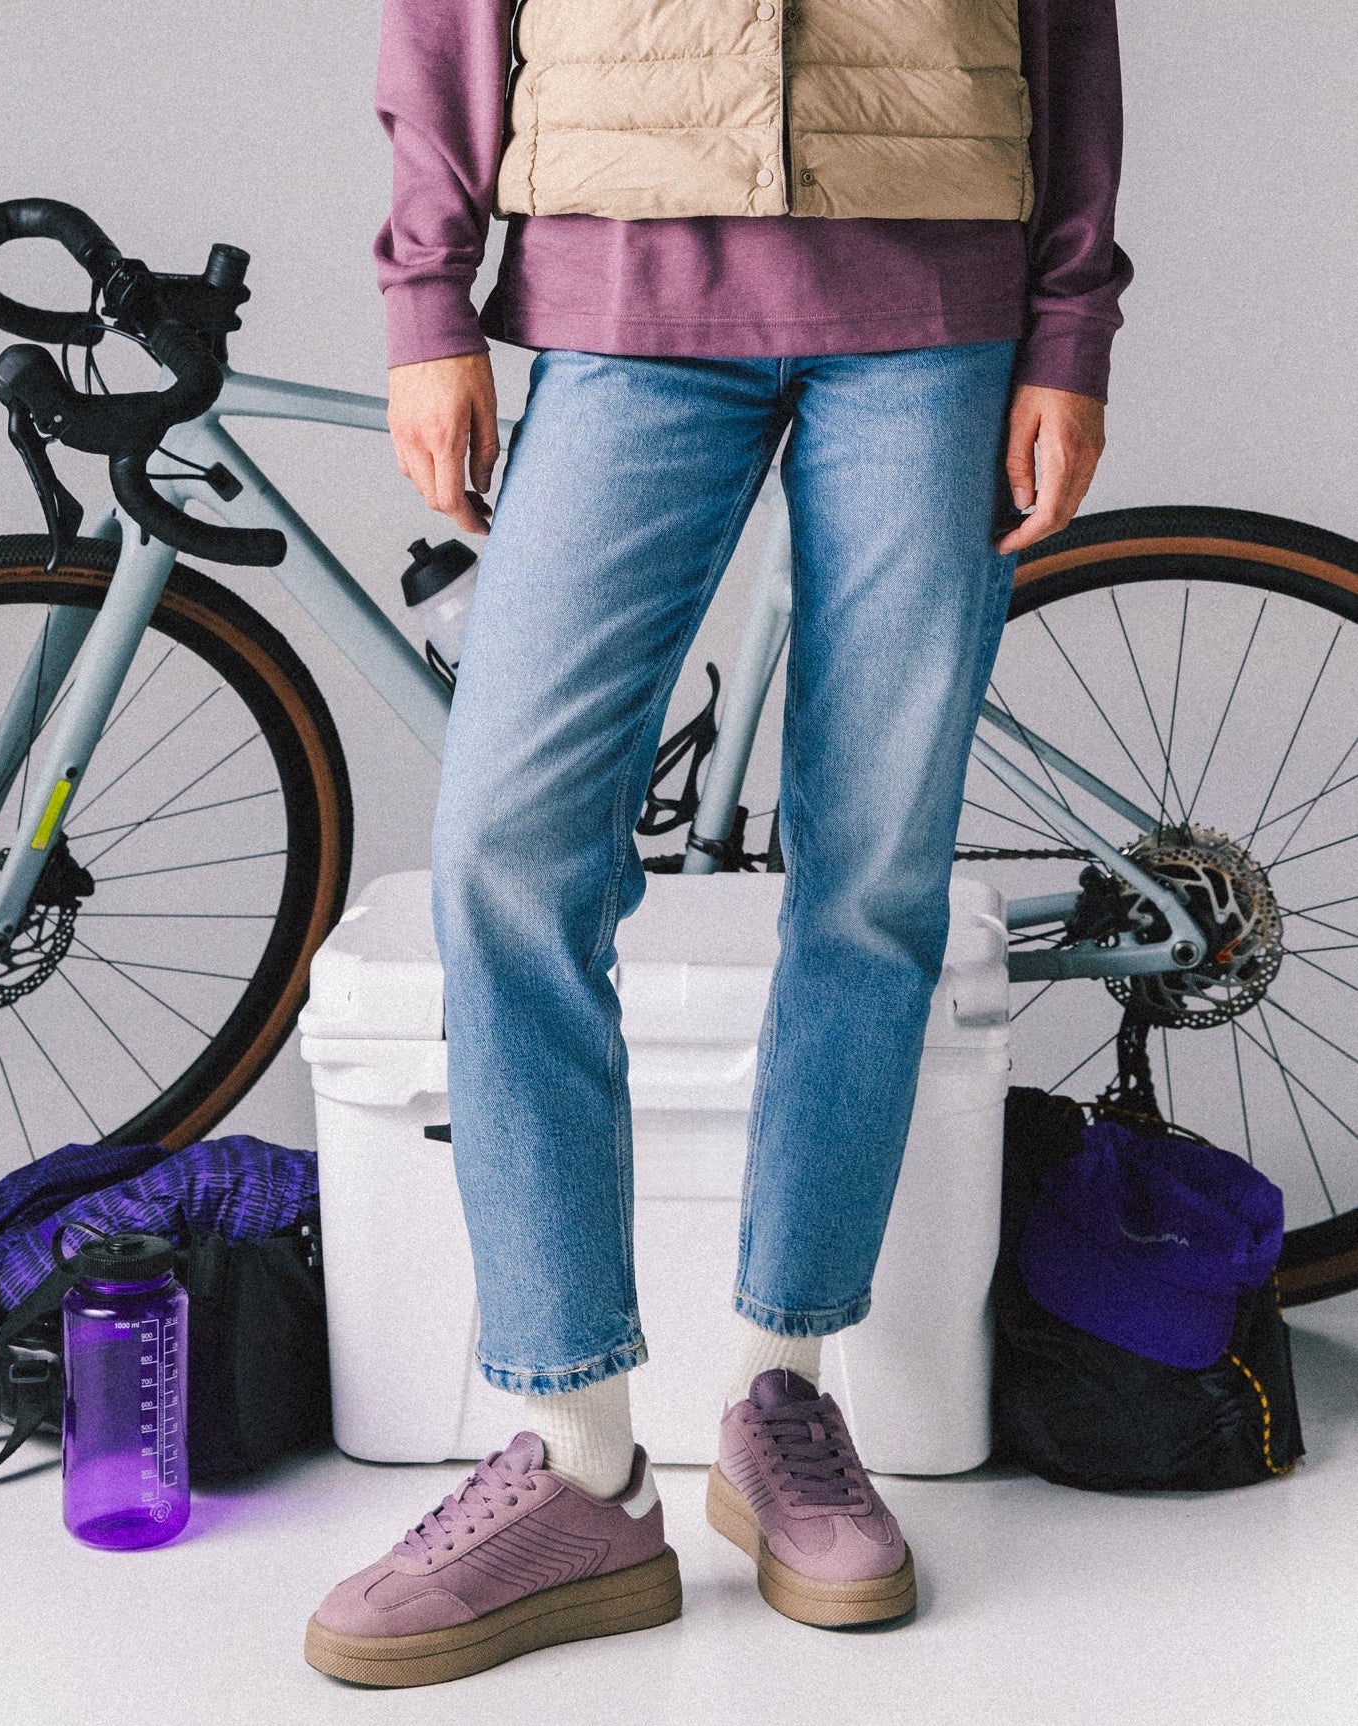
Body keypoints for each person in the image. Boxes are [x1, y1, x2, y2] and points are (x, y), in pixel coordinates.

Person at [305, 0, 1132, 1686]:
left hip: (932, 299)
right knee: (509, 854)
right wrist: (424, 297)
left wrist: (1068, 327)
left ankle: (783, 1400)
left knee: (875, 877)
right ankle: (576, 1456)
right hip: (625, 285)